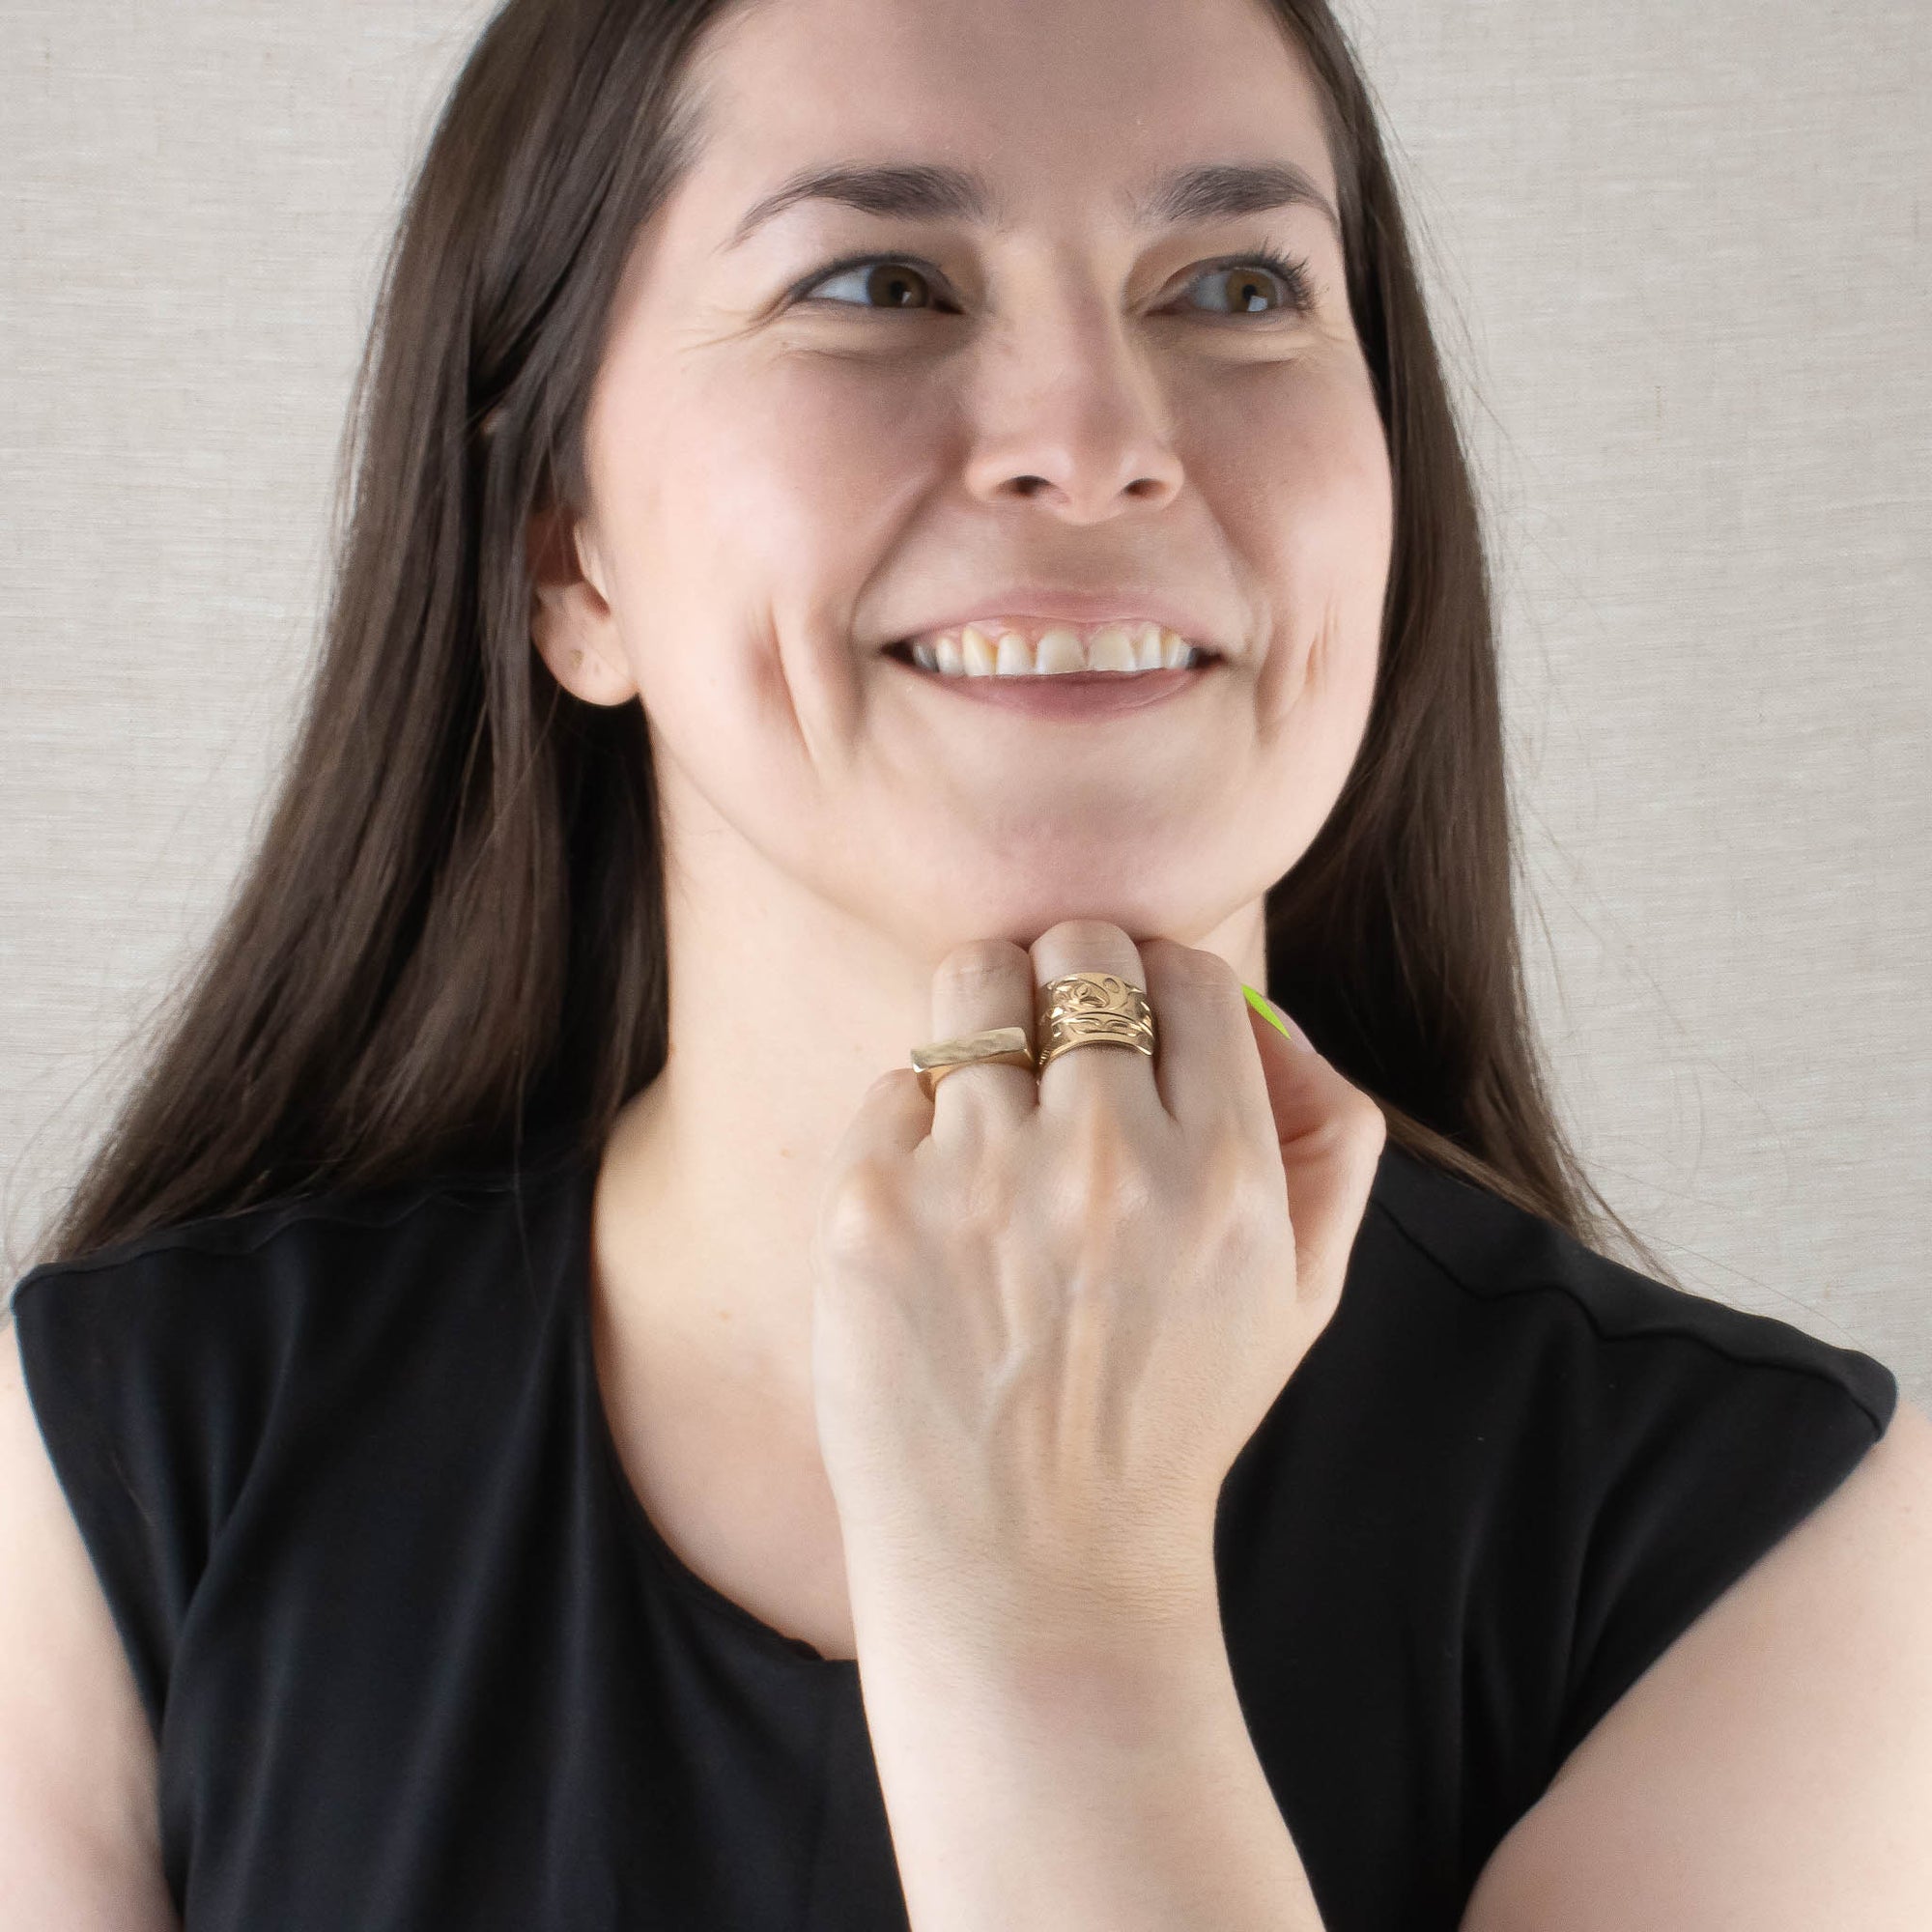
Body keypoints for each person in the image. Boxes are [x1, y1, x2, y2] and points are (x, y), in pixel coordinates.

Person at [3, 0, 1927, 1925]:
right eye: (880, 281)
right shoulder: (110, 1492)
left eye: (1239, 284)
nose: (1094, 447)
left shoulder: (1776, 1556)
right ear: (563, 555)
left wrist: (1055, 1616)